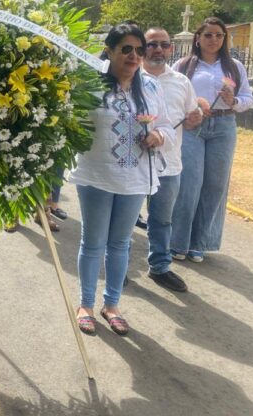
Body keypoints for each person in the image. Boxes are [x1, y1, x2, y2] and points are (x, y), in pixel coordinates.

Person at [68, 23, 174, 336]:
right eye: (126, 49)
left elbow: (168, 126)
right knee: (93, 242)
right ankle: (85, 304)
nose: (134, 56)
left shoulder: (151, 88)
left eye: (139, 50)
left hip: (136, 178)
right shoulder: (89, 86)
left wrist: (157, 135)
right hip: (97, 175)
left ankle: (111, 304)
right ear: (110, 51)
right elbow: (69, 121)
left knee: (120, 244)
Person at [171, 17, 253, 262]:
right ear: (198, 38)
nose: (213, 40)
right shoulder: (184, 65)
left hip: (223, 126)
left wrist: (233, 101)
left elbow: (247, 97)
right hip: (193, 126)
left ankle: (201, 242)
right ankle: (179, 242)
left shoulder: (234, 66)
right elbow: (172, 95)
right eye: (208, 35)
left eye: (219, 35)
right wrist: (189, 111)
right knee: (189, 183)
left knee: (215, 185)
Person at [142, 27, 203, 292]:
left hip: (168, 164)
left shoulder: (181, 81)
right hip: (133, 164)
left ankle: (160, 267)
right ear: (143, 47)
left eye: (164, 45)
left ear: (171, 49)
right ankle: (116, 267)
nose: (158, 49)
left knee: (162, 219)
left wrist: (195, 118)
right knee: (121, 220)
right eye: (152, 44)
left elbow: (191, 118)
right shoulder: (131, 77)